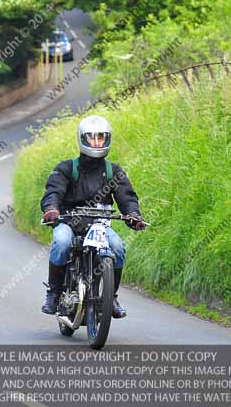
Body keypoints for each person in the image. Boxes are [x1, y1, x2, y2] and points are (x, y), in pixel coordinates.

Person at [39, 115, 147, 318]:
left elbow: (127, 197)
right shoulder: (66, 168)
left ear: (107, 140)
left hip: (99, 225)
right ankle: (53, 293)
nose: (97, 142)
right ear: (82, 139)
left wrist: (133, 215)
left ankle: (111, 297)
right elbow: (53, 191)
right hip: (68, 221)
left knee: (117, 248)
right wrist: (52, 209)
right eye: (92, 138)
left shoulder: (113, 171)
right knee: (62, 242)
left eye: (101, 138)